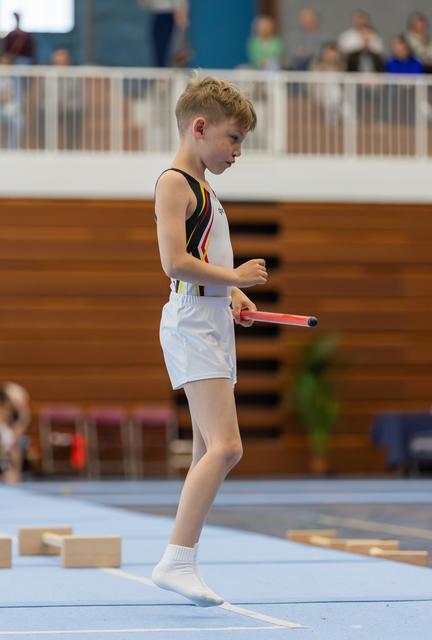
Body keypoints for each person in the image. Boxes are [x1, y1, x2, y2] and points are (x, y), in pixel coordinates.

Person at [151, 75, 266, 607]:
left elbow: (206, 265)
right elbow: (174, 263)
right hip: (192, 321)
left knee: (206, 449)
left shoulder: (206, 190)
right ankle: (177, 559)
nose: (238, 151)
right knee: (227, 446)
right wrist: (235, 279)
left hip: (210, 317)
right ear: (200, 127)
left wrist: (232, 297)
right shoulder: (175, 182)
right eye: (234, 138)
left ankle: (182, 558)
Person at [137, 0, 189, 67]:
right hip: (159, 14)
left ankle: (167, 72)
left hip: (170, 14)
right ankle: (162, 73)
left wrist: (181, 15)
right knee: (160, 54)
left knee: (172, 51)